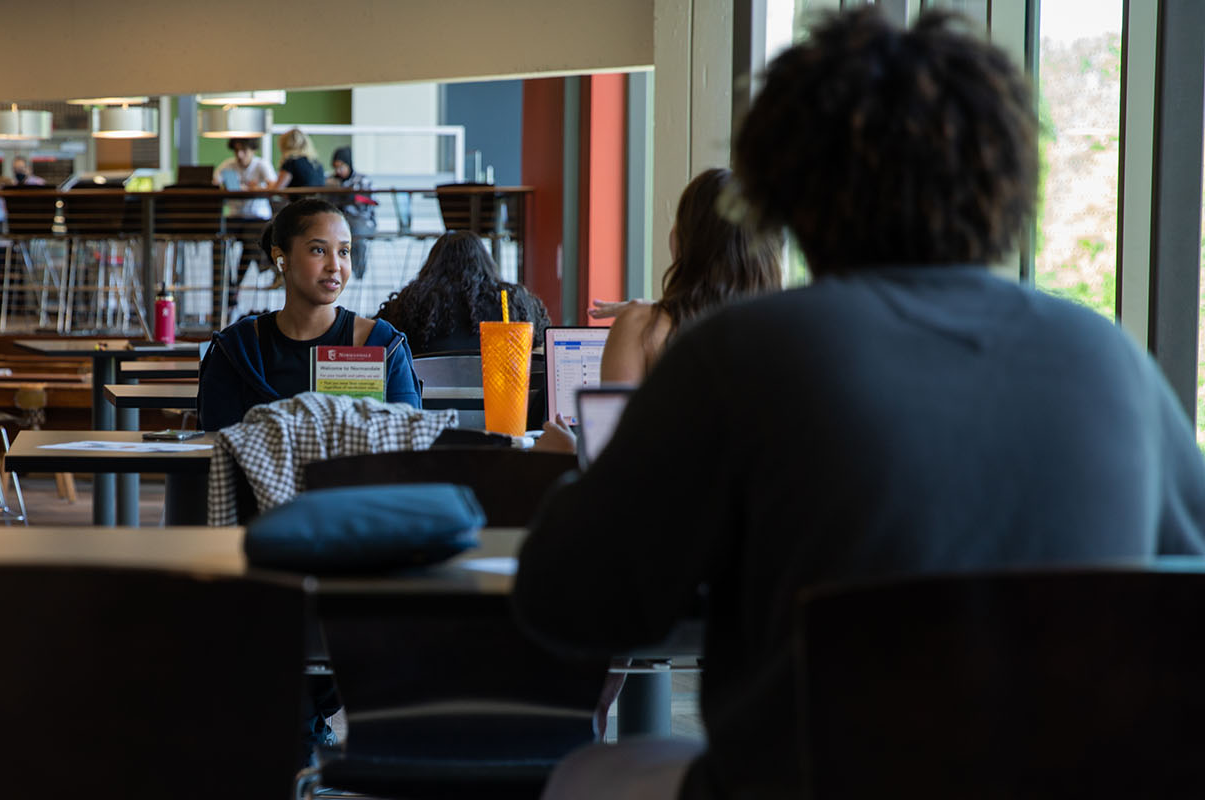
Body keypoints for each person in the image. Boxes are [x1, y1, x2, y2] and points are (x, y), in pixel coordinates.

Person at [514, 9, 1205, 800]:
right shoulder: (1112, 361)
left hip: (813, 783)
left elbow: (565, 598)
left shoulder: (744, 354)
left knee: (590, 774)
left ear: (787, 190)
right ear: (1006, 183)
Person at [199, 198, 421, 431]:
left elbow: (406, 441)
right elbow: (218, 445)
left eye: (344, 251)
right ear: (280, 258)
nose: (334, 265)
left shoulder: (382, 344)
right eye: (319, 250)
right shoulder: (238, 348)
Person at [593, 167, 783, 382]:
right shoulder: (783, 336)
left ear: (687, 240)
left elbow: (613, 416)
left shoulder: (641, 329)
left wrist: (647, 316)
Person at [374, 230, 550, 354]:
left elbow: (376, 340)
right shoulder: (515, 302)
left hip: (424, 404)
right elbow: (543, 346)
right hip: (497, 403)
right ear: (486, 263)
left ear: (431, 265)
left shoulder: (406, 305)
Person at [216, 138, 281, 314]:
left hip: (257, 217)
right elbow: (215, 182)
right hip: (235, 216)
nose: (239, 155)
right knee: (220, 241)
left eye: (244, 151)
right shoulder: (228, 165)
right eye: (236, 151)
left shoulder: (261, 165)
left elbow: (274, 187)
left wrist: (256, 188)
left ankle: (234, 289)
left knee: (250, 244)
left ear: (252, 150)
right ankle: (231, 287)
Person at [326, 146, 377, 278]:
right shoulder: (330, 181)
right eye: (336, 167)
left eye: (341, 166)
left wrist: (353, 197)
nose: (338, 170)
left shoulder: (362, 180)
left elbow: (372, 202)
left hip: (361, 222)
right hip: (339, 222)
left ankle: (357, 271)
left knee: (354, 233)